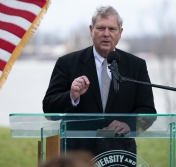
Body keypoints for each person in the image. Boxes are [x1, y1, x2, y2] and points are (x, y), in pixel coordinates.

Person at [43, 5, 156, 159]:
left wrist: (128, 123)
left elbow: (148, 111)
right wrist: (72, 96)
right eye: (101, 28)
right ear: (91, 30)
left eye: (112, 29)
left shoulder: (136, 66)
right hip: (77, 155)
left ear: (120, 33)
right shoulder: (67, 63)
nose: (106, 34)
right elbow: (49, 109)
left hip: (119, 153)